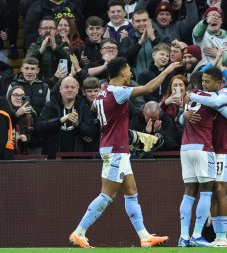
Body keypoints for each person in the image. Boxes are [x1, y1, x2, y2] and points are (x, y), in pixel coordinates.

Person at [69, 57, 181, 248]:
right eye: (129, 70)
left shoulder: (103, 90)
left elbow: (95, 107)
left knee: (131, 192)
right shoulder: (118, 91)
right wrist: (167, 70)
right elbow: (148, 89)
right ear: (122, 72)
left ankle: (144, 236)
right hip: (115, 149)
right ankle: (79, 232)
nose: (131, 73)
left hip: (113, 146)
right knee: (107, 195)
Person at [178, 65, 227, 247]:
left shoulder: (225, 93)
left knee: (219, 190)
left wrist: (192, 96)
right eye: (202, 81)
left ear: (220, 82)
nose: (205, 84)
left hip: (226, 148)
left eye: (208, 81)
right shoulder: (205, 97)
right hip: (209, 148)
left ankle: (221, 236)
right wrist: (185, 115)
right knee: (211, 192)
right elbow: (182, 119)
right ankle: (210, 237)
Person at [36, 76, 96, 159]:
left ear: (77, 89)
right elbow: (39, 127)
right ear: (60, 89)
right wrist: (60, 120)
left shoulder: (83, 106)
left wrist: (77, 124)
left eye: (73, 87)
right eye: (66, 87)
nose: (70, 89)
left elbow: (92, 132)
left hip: (77, 159)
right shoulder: (51, 105)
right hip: (54, 158)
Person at [26, 16, 70, 82]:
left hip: (59, 83)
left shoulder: (63, 45)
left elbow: (70, 63)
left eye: (51, 28)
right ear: (39, 31)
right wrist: (41, 50)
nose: (48, 30)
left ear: (56, 31)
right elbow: (27, 64)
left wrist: (55, 47)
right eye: (45, 28)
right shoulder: (34, 46)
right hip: (38, 83)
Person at [6, 85, 39, 155]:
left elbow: (39, 140)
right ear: (10, 97)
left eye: (22, 95)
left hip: (27, 155)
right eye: (15, 95)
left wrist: (28, 138)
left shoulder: (31, 114)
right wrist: (17, 114)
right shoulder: (4, 112)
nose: (18, 98)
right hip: (9, 154)